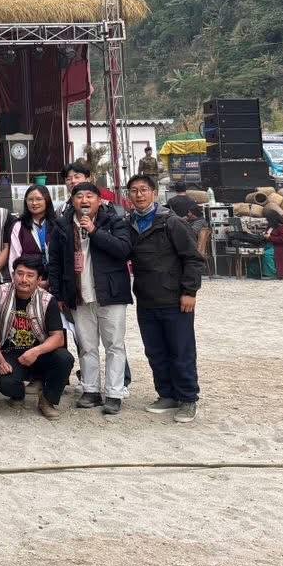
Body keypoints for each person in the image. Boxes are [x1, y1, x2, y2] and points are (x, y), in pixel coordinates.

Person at [48, 182, 133, 414]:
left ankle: (114, 393)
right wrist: (58, 294)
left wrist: (94, 231)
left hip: (110, 293)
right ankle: (91, 390)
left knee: (114, 345)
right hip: (79, 294)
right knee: (87, 345)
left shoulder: (114, 221)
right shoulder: (62, 225)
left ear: (99, 200)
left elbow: (123, 250)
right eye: (79, 196)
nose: (84, 201)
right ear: (72, 200)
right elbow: (54, 262)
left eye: (89, 196)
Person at [126, 174, 204, 423]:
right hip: (146, 299)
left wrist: (189, 292)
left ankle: (188, 398)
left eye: (144, 190)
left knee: (181, 350)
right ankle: (167, 394)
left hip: (174, 298)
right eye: (134, 190)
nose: (139, 195)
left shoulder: (171, 222)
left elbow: (192, 258)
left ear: (154, 193)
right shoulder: (130, 224)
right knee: (155, 351)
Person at [0, 255, 73, 418]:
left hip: (40, 352)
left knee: (65, 358)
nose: (24, 279)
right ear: (13, 274)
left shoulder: (47, 300)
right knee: (4, 383)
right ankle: (18, 394)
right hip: (10, 352)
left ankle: (47, 400)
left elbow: (58, 337)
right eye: (20, 273)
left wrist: (36, 351)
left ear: (39, 279)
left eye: (30, 275)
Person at [8, 185, 56, 277]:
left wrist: (50, 281)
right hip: (28, 279)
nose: (34, 203)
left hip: (54, 278)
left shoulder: (57, 224)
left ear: (47, 200)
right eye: (30, 199)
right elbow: (14, 257)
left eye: (39, 199)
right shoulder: (19, 225)